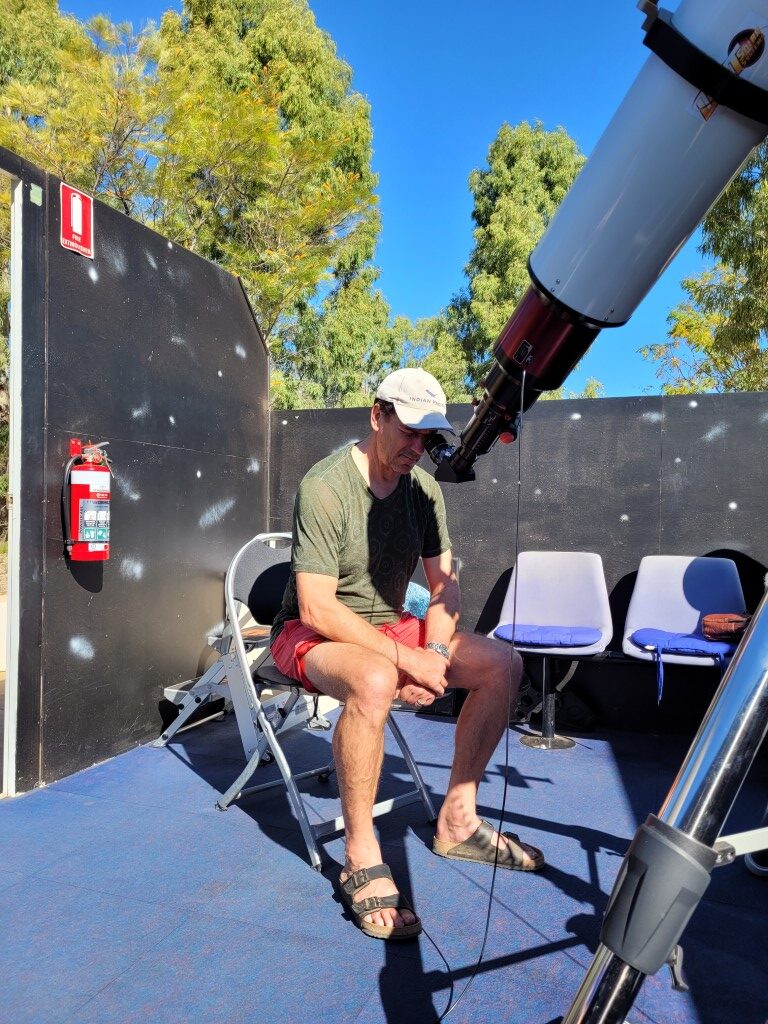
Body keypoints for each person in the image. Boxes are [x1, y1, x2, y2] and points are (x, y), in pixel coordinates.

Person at [271, 367, 544, 941]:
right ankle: (360, 853)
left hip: (388, 627)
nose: (417, 448)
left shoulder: (424, 491)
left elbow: (444, 587)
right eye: (409, 432)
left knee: (503, 663)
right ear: (378, 415)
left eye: (428, 437)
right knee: (374, 677)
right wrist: (404, 662)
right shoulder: (325, 486)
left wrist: (435, 654)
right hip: (310, 632)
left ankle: (458, 820)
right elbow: (317, 608)